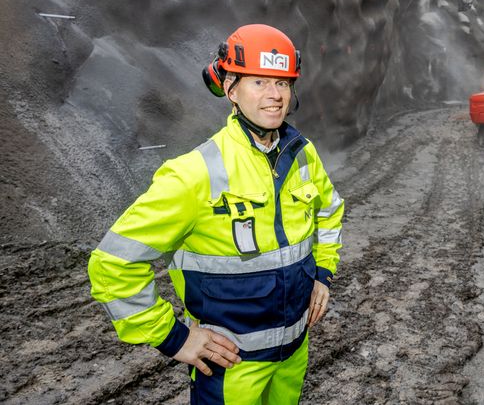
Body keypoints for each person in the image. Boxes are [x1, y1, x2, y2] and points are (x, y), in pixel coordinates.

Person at [88, 24, 344, 404]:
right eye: (259, 82)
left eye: (283, 84)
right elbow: (112, 263)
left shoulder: (302, 154)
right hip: (231, 369)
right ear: (230, 89)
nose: (275, 96)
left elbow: (329, 212)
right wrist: (175, 338)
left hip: (293, 354)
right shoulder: (195, 173)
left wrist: (323, 273)